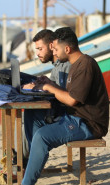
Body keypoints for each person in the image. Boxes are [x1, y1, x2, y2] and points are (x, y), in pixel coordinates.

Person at [22, 27, 109, 185]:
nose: (54, 52)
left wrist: (48, 88)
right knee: (32, 115)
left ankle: (27, 181)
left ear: (67, 49)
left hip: (89, 123)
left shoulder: (85, 65)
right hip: (74, 116)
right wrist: (50, 83)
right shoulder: (75, 64)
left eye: (55, 49)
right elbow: (70, 93)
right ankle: (33, 162)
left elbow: (72, 100)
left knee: (42, 136)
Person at [19, 29, 71, 165]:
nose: (37, 53)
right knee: (26, 118)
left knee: (29, 117)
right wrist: (42, 84)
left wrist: (42, 88)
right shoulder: (57, 66)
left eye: (40, 49)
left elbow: (65, 95)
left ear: (51, 46)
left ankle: (25, 161)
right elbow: (56, 88)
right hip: (58, 111)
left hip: (65, 115)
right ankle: (22, 160)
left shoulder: (65, 65)